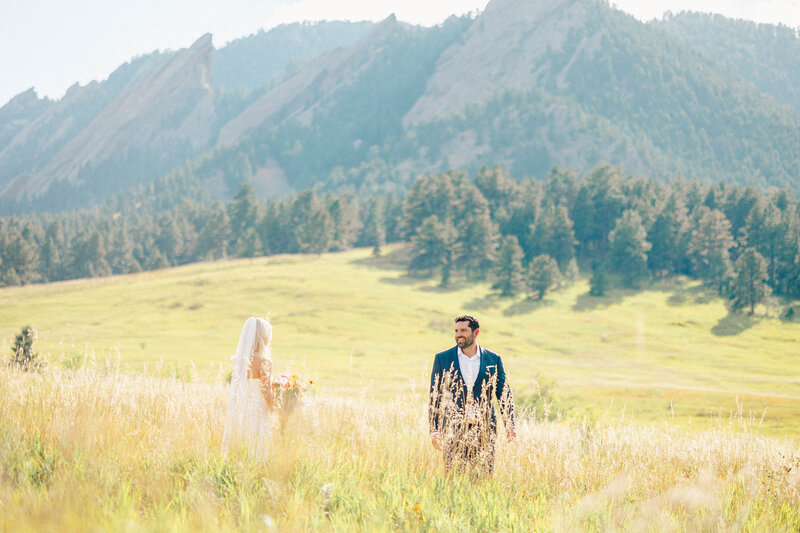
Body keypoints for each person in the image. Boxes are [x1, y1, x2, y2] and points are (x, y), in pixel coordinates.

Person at [429, 315, 516, 475]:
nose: (458, 334)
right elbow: (435, 396)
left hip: (484, 429)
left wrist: (509, 423)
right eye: (456, 330)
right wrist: (434, 429)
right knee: (453, 477)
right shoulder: (443, 358)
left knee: (483, 477)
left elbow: (503, 393)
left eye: (463, 330)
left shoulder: (493, 359)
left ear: (475, 332)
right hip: (453, 429)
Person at [222, 316, 274, 458]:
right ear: (263, 337)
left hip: (242, 408)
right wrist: (279, 410)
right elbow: (266, 392)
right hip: (258, 411)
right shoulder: (264, 362)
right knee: (259, 445)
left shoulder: (239, 361)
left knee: (243, 443)